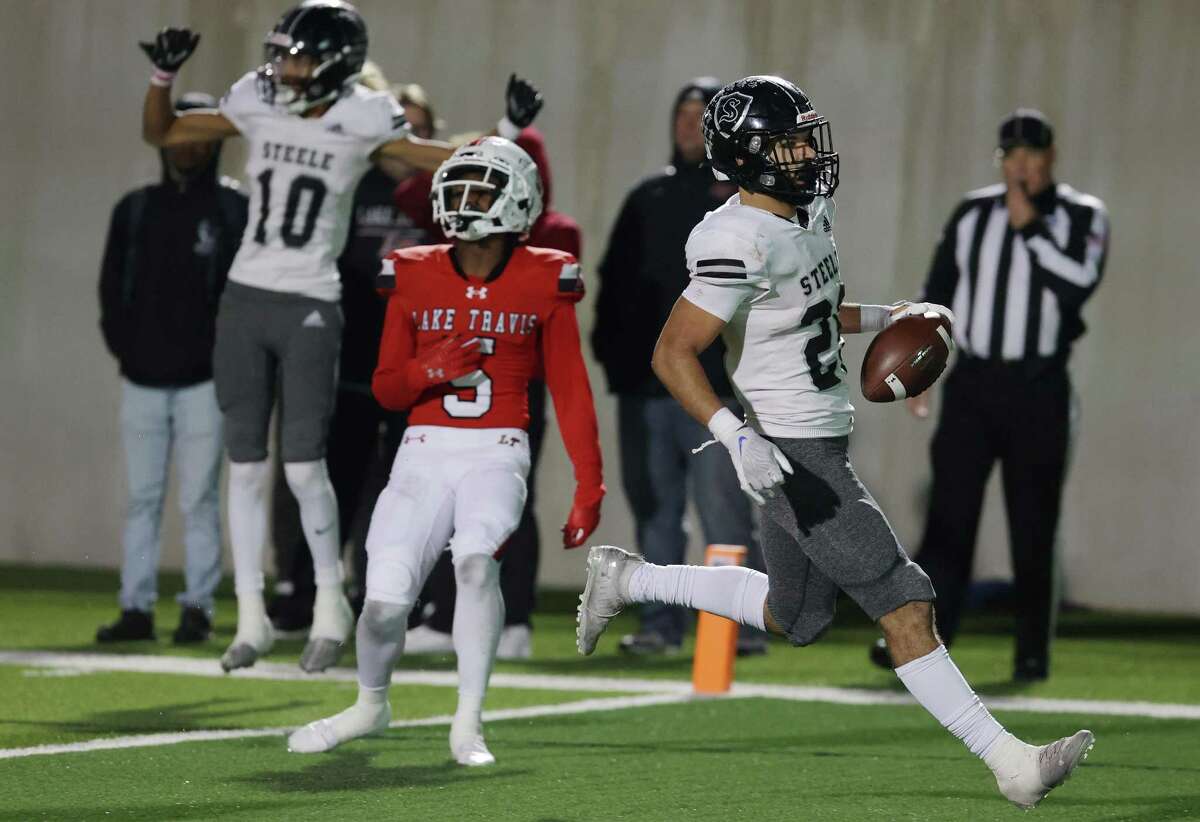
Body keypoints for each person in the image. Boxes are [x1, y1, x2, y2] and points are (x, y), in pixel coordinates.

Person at [575, 76, 1092, 809]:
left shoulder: (801, 212)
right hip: (795, 455)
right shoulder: (735, 237)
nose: (805, 152)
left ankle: (628, 580)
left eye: (803, 137)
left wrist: (889, 315)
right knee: (904, 602)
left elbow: (810, 307)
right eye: (787, 142)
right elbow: (673, 352)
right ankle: (1011, 761)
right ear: (748, 157)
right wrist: (733, 434)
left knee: (799, 615)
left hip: (822, 443)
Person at [137, 1, 544, 673]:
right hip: (245, 297)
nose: (287, 69)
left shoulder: (363, 115)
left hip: (311, 299)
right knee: (243, 466)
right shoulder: (257, 96)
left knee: (301, 464)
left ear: (336, 64)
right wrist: (160, 78)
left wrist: (505, 131)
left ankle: (330, 599)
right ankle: (252, 616)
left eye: (300, 57)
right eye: (284, 54)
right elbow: (165, 133)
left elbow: (441, 159)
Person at [287, 137, 603, 766]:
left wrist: (588, 482)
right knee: (382, 606)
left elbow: (570, 387)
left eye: (478, 190)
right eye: (455, 189)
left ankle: (467, 721)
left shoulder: (545, 275)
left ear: (516, 200)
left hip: (498, 450)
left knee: (476, 562)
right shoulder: (412, 269)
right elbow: (384, 388)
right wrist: (428, 367)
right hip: (423, 451)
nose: (462, 202)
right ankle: (370, 705)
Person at [869, 109, 1109, 681]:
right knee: (949, 520)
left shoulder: (1081, 215)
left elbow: (1078, 285)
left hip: (1039, 386)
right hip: (974, 385)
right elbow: (937, 296)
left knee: (1033, 523)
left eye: (1031, 153)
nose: (1021, 164)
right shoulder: (973, 213)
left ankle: (1030, 654)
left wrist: (1029, 227)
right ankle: (924, 645)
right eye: (1011, 154)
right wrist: (918, 372)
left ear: (1050, 157)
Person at [590, 77, 766, 655]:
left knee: (725, 513)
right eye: (681, 115)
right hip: (645, 389)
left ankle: (738, 629)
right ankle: (661, 626)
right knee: (655, 512)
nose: (687, 126)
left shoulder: (743, 204)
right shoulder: (650, 197)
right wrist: (619, 366)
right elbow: (613, 286)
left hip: (714, 391)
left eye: (700, 116)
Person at [397, 124, 583, 660]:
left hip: (517, 386)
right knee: (447, 499)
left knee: (507, 504)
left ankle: (515, 618)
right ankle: (446, 612)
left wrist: (510, 136)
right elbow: (413, 196)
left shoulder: (552, 234)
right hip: (457, 383)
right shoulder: (462, 230)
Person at [267, 71, 437, 633]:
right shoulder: (352, 186)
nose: (405, 141)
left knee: (403, 491)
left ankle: (384, 594)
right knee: (332, 479)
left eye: (418, 131)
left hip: (417, 368)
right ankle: (309, 591)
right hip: (352, 362)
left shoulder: (441, 196)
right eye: (400, 128)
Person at [97, 92, 247, 645]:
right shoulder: (134, 209)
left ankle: (197, 609)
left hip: (205, 381)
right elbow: (111, 290)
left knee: (199, 497)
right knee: (140, 495)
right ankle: (135, 607)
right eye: (181, 134)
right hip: (142, 377)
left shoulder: (234, 209)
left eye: (201, 136)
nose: (189, 148)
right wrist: (127, 350)